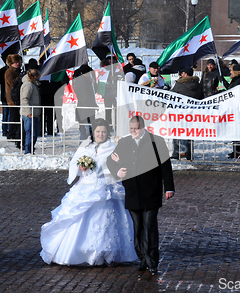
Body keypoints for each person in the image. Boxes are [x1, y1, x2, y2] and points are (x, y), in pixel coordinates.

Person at [40, 118, 138, 266]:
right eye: (98, 131)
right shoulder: (86, 147)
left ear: (108, 133)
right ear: (93, 132)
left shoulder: (113, 148)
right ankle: (80, 251)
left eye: (104, 132)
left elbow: (120, 167)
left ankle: (107, 252)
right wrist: (81, 168)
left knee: (107, 221)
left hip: (106, 188)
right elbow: (74, 163)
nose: (101, 134)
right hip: (86, 187)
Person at [106, 116, 175, 275]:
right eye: (131, 129)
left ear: (143, 127)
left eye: (136, 129)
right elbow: (111, 161)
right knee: (137, 228)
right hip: (132, 192)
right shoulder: (124, 142)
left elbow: (166, 165)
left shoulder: (156, 141)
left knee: (150, 226)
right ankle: (142, 257)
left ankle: (152, 260)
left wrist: (169, 188)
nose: (133, 132)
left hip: (151, 191)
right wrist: (117, 170)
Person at [170, 66, 203, 160]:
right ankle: (189, 153)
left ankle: (176, 153)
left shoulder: (179, 85)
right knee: (190, 134)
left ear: (186, 74)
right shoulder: (198, 85)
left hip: (179, 113)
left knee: (176, 132)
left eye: (182, 73)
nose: (180, 75)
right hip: (192, 114)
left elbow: (171, 95)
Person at [222, 64, 240, 159]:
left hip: (237, 108)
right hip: (235, 107)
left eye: (232, 70)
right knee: (235, 131)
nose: (231, 72)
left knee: (237, 131)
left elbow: (231, 91)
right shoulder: (237, 80)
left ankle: (238, 152)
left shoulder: (239, 81)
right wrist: (224, 81)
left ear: (236, 72)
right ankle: (236, 151)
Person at [73, 64, 97, 140]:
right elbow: (86, 96)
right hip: (85, 108)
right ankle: (84, 144)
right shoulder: (82, 81)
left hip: (86, 107)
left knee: (86, 128)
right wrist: (93, 105)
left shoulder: (85, 80)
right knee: (86, 129)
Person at [20, 68, 41, 154]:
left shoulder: (32, 84)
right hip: (29, 114)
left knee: (35, 133)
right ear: (35, 76)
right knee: (31, 133)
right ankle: (28, 151)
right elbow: (24, 99)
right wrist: (28, 112)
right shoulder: (28, 85)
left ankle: (30, 150)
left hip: (34, 113)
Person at [5, 54, 23, 148]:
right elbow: (12, 82)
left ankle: (14, 133)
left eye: (19, 62)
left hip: (17, 97)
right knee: (13, 117)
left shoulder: (16, 71)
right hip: (12, 99)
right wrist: (20, 77)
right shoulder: (9, 71)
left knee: (16, 117)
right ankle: (11, 133)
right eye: (16, 62)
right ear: (12, 63)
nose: (19, 64)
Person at [0, 62, 10, 137]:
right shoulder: (2, 70)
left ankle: (9, 129)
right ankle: (5, 130)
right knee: (5, 114)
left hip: (11, 97)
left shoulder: (15, 70)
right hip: (5, 96)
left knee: (10, 114)